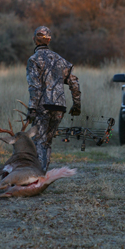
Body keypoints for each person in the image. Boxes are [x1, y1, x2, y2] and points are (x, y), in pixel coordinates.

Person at [26, 26, 81, 171]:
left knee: (39, 141)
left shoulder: (33, 60)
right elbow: (74, 82)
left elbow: (34, 86)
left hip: (42, 107)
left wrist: (32, 108)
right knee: (47, 142)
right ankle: (42, 175)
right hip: (59, 108)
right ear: (49, 40)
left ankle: (37, 176)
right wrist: (76, 105)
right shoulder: (61, 60)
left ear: (34, 40)